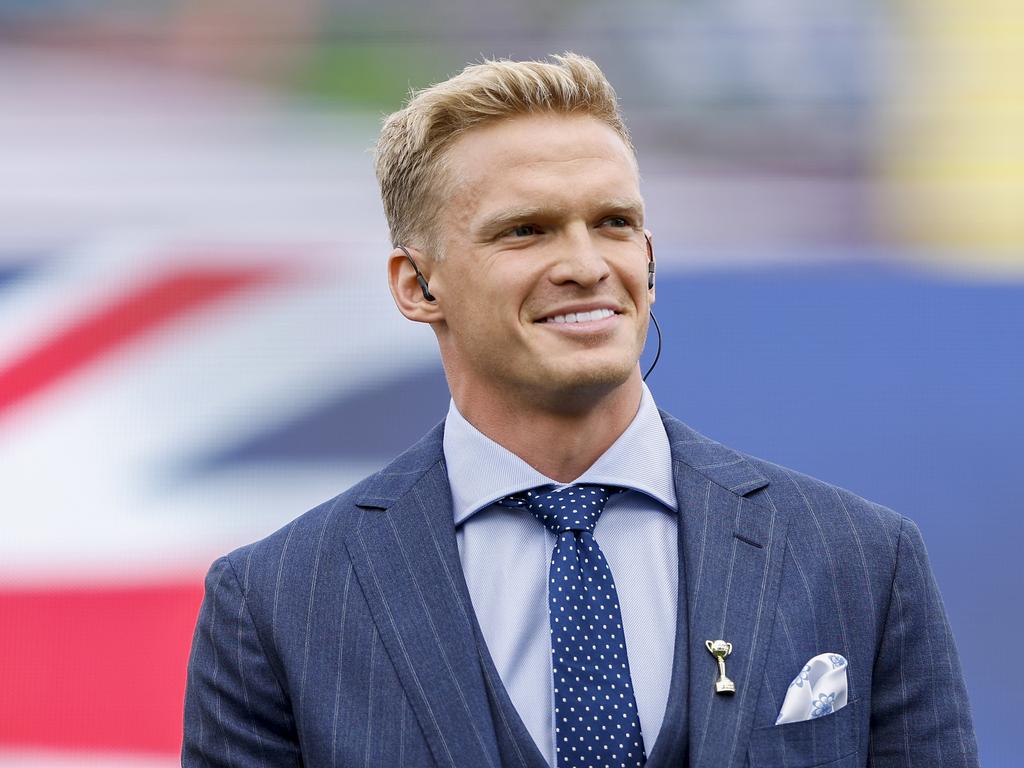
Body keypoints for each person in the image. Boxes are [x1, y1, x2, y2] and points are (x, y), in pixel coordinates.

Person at [182, 53, 979, 768]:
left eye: (614, 224)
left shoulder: (861, 562)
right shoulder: (278, 602)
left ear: (651, 261)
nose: (586, 265)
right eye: (525, 231)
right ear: (417, 286)